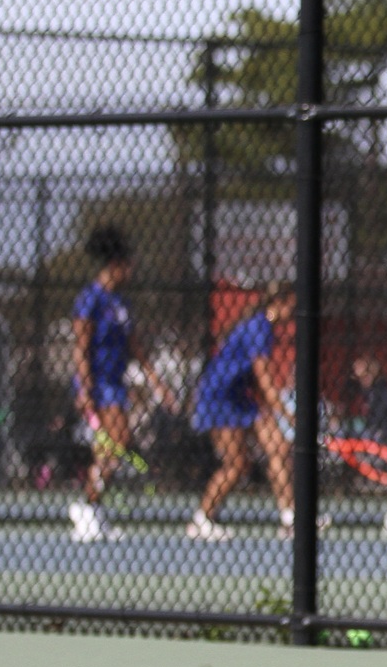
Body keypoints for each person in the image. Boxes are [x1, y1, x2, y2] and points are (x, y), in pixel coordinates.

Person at [69, 225, 176, 542]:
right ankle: (88, 506)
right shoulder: (91, 298)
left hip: (115, 383)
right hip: (97, 383)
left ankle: (91, 507)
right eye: (128, 264)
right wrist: (85, 388)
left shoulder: (121, 303)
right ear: (115, 264)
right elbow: (80, 345)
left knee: (111, 446)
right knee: (116, 440)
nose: (132, 270)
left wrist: (157, 382)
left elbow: (136, 347)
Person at [189, 284, 297, 541]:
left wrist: (276, 412)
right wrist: (289, 415)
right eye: (294, 303)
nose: (296, 311)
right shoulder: (259, 328)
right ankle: (202, 519)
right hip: (219, 398)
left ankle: (290, 519)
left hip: (240, 398)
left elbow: (255, 381)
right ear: (282, 301)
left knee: (278, 448)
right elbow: (265, 381)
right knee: (236, 464)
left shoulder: (264, 327)